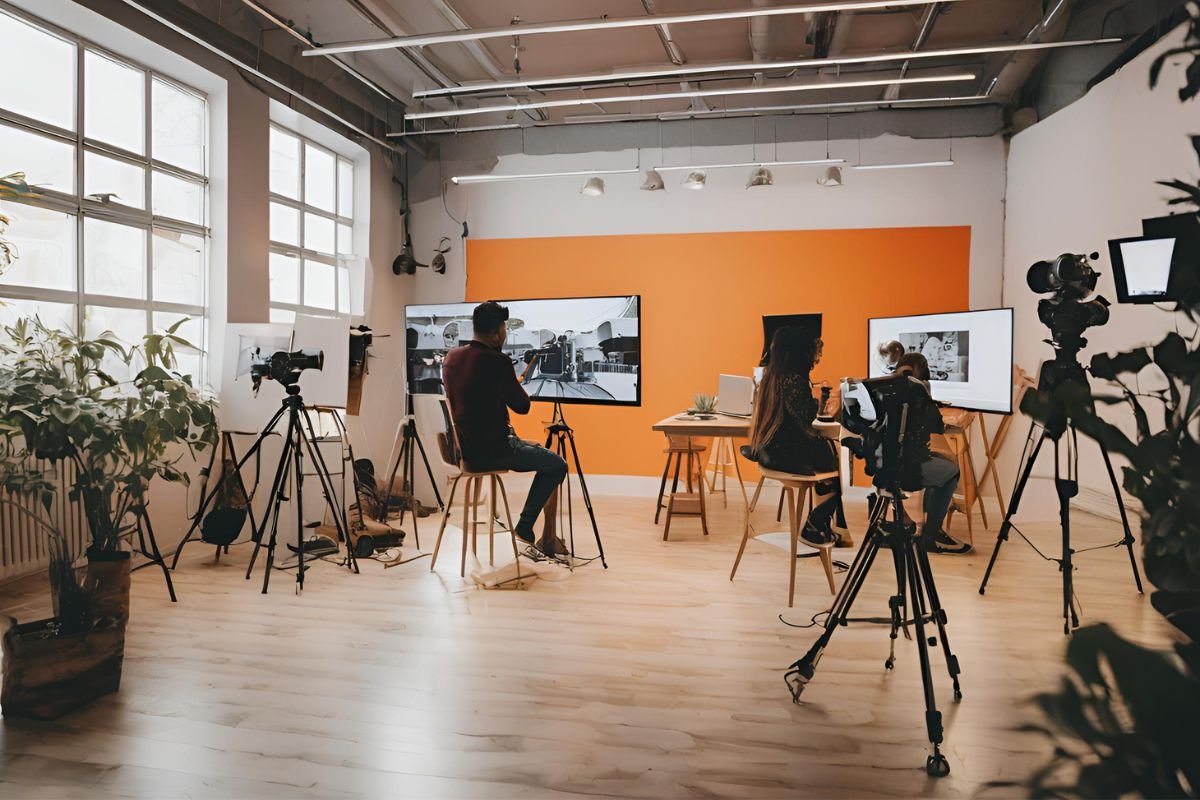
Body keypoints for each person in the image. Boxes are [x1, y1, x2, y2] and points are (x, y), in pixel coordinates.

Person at [441, 301, 567, 556]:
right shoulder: (496, 361)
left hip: (462, 450)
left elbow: (477, 396)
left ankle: (548, 538)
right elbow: (522, 406)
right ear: (498, 332)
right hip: (494, 450)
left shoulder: (452, 357)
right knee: (557, 465)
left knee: (537, 449)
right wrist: (513, 378)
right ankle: (525, 528)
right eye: (504, 329)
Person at [744, 327, 848, 549]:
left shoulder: (769, 376)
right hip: (783, 452)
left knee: (828, 455)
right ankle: (816, 524)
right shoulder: (793, 380)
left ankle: (820, 521)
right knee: (836, 464)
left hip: (769, 449)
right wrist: (819, 398)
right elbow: (806, 415)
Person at [894, 352, 972, 555]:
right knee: (951, 471)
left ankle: (914, 522)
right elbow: (936, 426)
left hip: (883, 466)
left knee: (939, 462)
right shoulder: (917, 393)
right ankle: (931, 533)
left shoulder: (884, 390)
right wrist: (927, 396)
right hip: (907, 467)